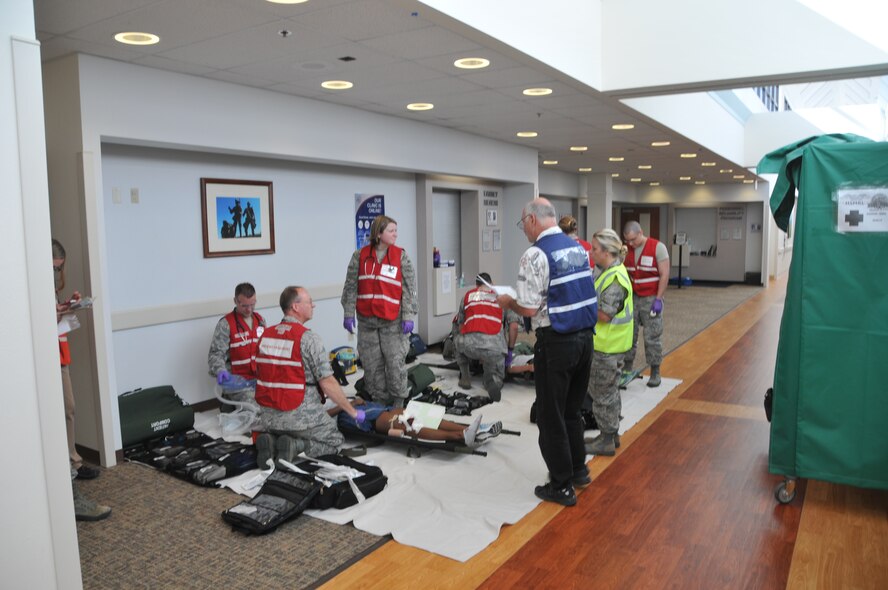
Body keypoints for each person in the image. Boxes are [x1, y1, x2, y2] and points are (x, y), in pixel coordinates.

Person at [496, 198, 597, 506]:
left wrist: (507, 302)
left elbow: (528, 308)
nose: (523, 229)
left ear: (532, 220)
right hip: (585, 339)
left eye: (522, 223)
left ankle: (561, 485)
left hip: (557, 342)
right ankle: (578, 470)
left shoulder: (535, 254)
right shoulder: (577, 248)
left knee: (550, 416)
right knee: (572, 411)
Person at [254, 286, 366, 467]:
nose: (313, 305)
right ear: (295, 307)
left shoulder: (265, 336)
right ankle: (297, 446)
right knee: (335, 440)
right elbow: (328, 383)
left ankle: (273, 442)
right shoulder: (308, 339)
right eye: (309, 302)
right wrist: (352, 411)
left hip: (268, 418)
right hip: (299, 417)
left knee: (288, 427)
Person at [53, 239, 110, 521]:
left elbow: (53, 319)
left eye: (58, 269)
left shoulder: (49, 286)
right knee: (63, 410)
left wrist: (67, 307)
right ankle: (69, 475)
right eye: (54, 267)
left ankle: (73, 462)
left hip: (59, 354)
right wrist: (59, 312)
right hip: (47, 358)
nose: (56, 273)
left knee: (69, 409)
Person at [341, 215, 418, 408]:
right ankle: (379, 403)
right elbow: (350, 287)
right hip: (367, 322)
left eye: (396, 230)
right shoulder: (359, 256)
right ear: (379, 233)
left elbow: (409, 289)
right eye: (391, 231)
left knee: (395, 363)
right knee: (371, 365)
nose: (395, 234)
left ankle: (399, 402)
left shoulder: (401, 257)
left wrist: (408, 315)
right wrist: (348, 313)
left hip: (393, 321)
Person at [584, 229, 634, 456]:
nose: (591, 252)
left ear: (606, 252)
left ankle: (605, 439)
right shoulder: (611, 272)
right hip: (612, 345)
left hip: (607, 347)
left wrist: (582, 308)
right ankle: (611, 434)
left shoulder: (614, 278)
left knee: (601, 393)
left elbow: (604, 314)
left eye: (594, 249)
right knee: (610, 392)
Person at [455, 272, 520, 401]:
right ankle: (492, 380)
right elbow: (514, 327)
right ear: (492, 284)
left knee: (456, 337)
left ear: (476, 285)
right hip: (494, 348)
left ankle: (465, 376)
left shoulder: (467, 296)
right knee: (494, 364)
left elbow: (460, 325)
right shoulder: (503, 297)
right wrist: (510, 350)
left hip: (469, 346)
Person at [622, 221, 670, 387]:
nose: (631, 243)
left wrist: (659, 299)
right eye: (627, 240)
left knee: (652, 336)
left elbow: (664, 274)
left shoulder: (658, 247)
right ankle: (627, 368)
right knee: (629, 334)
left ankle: (655, 370)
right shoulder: (626, 250)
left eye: (633, 239)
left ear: (641, 232)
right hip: (633, 298)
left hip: (651, 298)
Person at [335, 399, 502, 446]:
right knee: (408, 423)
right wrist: (346, 404)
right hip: (353, 417)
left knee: (422, 414)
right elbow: (325, 414)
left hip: (373, 409)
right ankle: (460, 435)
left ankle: (474, 429)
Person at [208, 283, 266, 399]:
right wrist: (220, 370)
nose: (249, 309)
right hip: (238, 383)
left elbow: (265, 350)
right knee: (255, 404)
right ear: (235, 301)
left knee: (276, 401)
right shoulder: (226, 324)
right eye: (244, 305)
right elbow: (216, 354)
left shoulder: (260, 321)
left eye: (252, 304)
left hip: (259, 379)